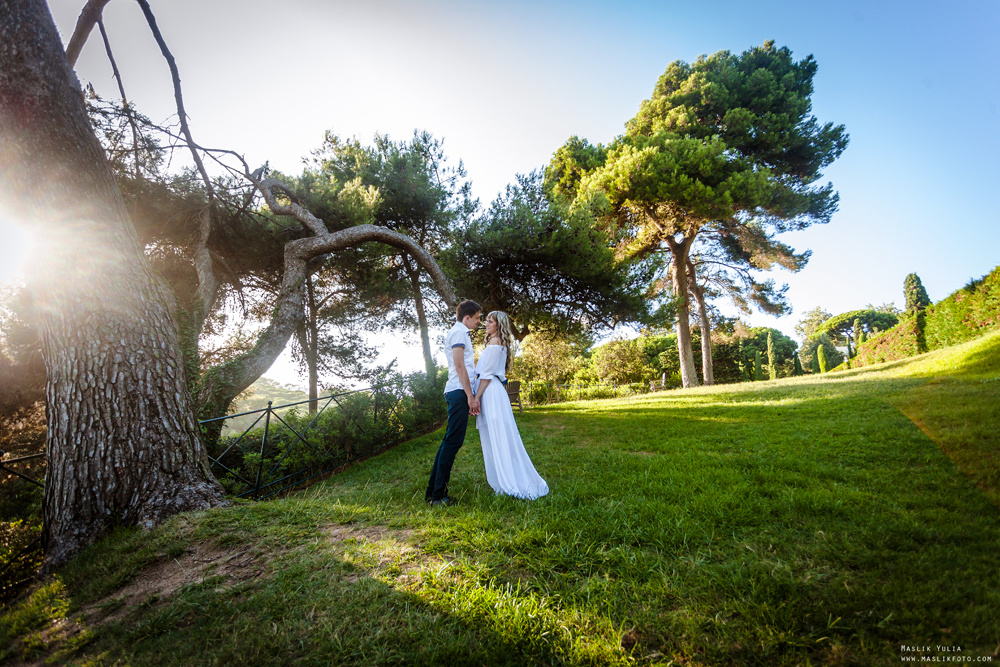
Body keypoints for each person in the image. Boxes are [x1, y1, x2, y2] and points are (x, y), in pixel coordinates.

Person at [473, 311, 548, 500]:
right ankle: (502, 475)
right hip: (493, 392)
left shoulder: (495, 343)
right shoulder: (497, 343)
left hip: (490, 393)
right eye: (487, 321)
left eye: (490, 321)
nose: (486, 324)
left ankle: (507, 478)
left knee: (498, 436)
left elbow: (487, 376)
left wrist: (476, 398)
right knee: (498, 435)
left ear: (499, 325)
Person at [425, 299, 481, 506]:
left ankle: (433, 492)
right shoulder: (458, 333)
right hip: (458, 391)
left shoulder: (460, 333)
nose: (478, 322)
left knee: (448, 442)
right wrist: (470, 396)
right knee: (452, 443)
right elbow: (459, 366)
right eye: (476, 318)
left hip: (458, 391)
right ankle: (438, 497)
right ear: (467, 317)